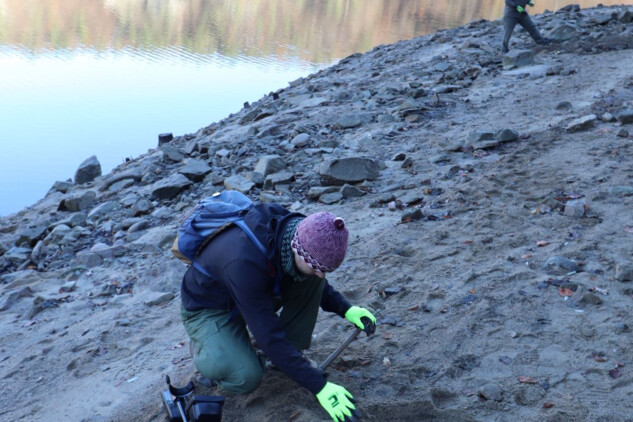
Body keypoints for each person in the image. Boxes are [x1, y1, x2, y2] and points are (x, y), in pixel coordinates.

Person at [180, 201, 377, 422]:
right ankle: (209, 346)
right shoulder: (245, 262)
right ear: (297, 248)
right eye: (316, 266)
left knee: (309, 280)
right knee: (246, 376)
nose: (321, 275)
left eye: (326, 269)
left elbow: (315, 277)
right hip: (210, 308)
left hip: (253, 294)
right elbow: (269, 337)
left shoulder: (295, 233)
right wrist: (320, 387)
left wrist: (347, 309)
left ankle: (287, 356)